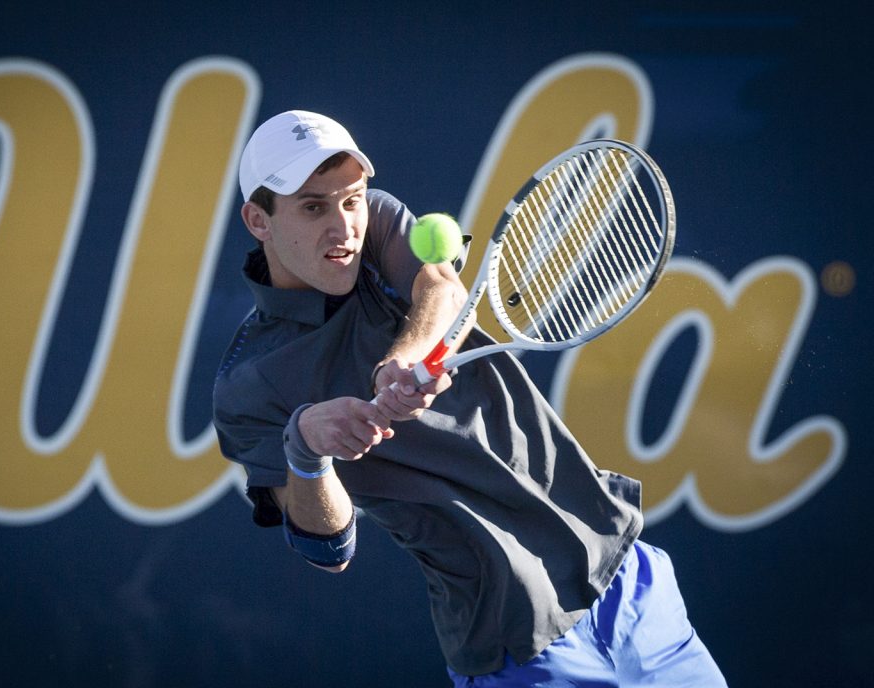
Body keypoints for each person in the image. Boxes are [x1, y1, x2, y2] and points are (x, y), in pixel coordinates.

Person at [212, 110, 726, 686]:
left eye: (350, 200)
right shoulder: (247, 388)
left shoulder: (377, 225)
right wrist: (307, 448)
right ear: (259, 220)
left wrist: (403, 359)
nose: (343, 227)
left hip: (625, 573)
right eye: (313, 207)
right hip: (517, 639)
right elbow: (327, 548)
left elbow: (442, 287)